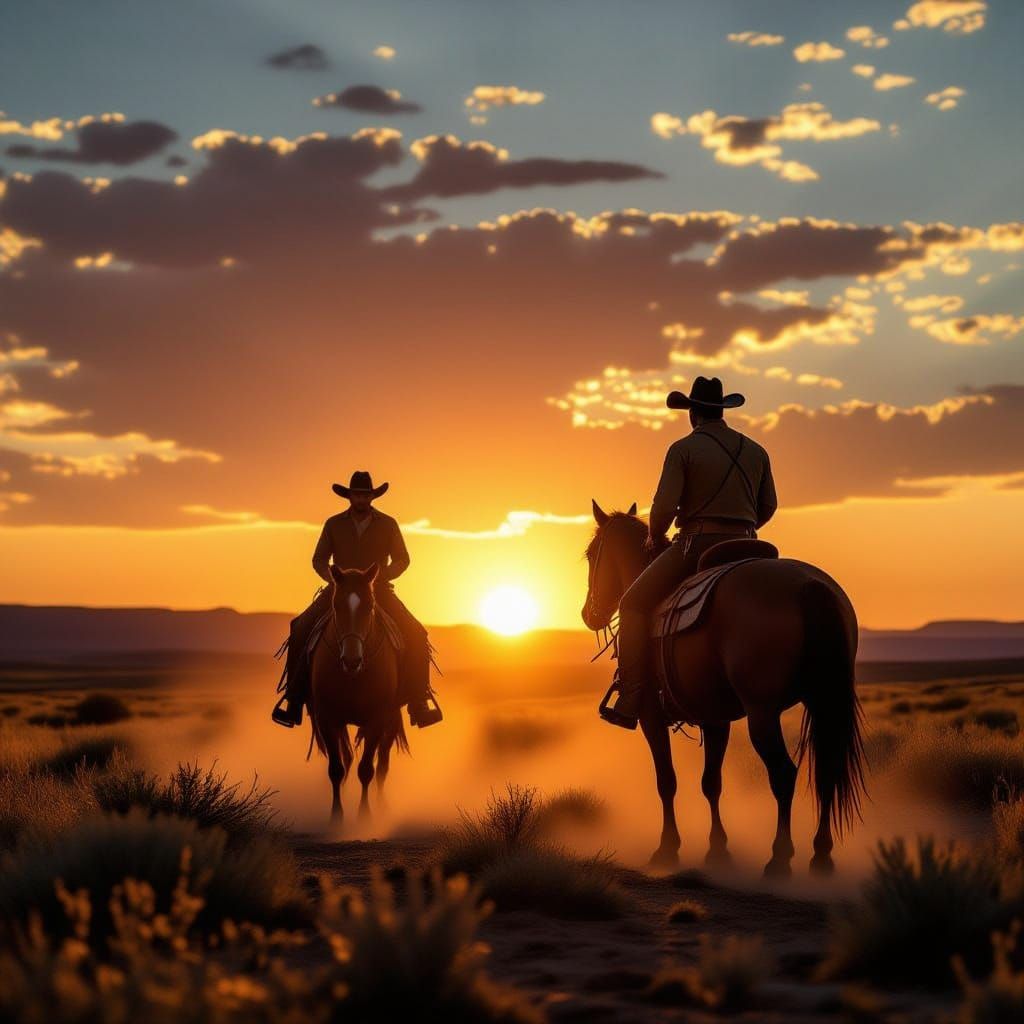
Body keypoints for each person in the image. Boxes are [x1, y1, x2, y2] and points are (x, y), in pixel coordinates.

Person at [600, 376, 778, 730]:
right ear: (722, 411)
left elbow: (664, 508)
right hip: (748, 543)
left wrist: (655, 536)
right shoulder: (756, 451)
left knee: (632, 604)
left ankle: (632, 695)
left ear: (692, 413)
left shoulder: (683, 449)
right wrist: (742, 525)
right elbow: (769, 506)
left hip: (697, 542)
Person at [272, 471, 442, 729]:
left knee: (417, 634)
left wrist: (378, 577)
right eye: (357, 494)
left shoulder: (388, 524)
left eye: (365, 494)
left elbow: (402, 559)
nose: (361, 498)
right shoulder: (333, 524)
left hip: (379, 591)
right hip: (339, 591)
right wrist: (334, 579)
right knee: (299, 628)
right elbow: (318, 559)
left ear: (372, 496)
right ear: (349, 496)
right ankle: (294, 699)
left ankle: (418, 702)